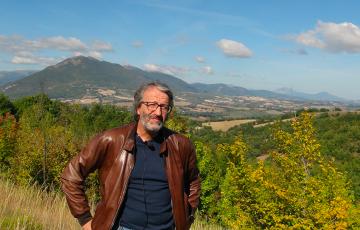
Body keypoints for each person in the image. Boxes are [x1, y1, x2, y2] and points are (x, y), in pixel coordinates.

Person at [61, 81, 201, 230]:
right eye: (151, 105)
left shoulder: (181, 145)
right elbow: (71, 175)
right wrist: (85, 219)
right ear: (138, 108)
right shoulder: (112, 140)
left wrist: (187, 217)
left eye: (164, 107)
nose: (158, 113)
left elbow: (194, 182)